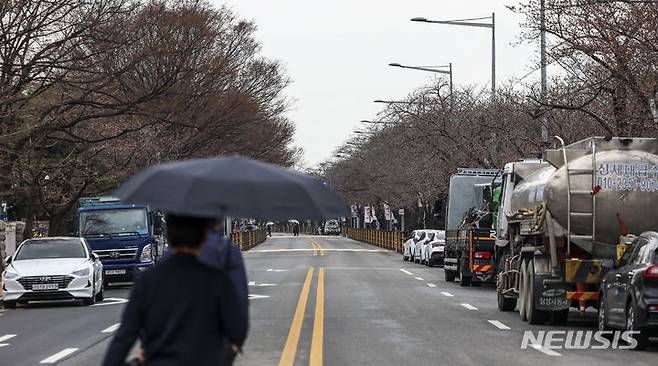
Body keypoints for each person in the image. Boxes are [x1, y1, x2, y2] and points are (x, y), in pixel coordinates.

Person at [102, 214, 247, 366]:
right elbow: (237, 330)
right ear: (204, 238)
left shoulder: (147, 281)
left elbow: (125, 336)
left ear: (169, 235)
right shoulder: (218, 281)